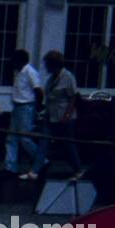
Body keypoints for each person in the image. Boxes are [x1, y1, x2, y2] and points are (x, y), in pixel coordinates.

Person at [34, 50, 83, 178]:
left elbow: (73, 97)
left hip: (64, 116)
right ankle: (35, 171)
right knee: (43, 142)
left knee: (68, 145)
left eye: (47, 64)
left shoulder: (68, 77)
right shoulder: (51, 78)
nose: (45, 67)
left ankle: (78, 170)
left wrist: (67, 116)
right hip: (50, 115)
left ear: (53, 64)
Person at [5, 48, 43, 180]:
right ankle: (10, 167)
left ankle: (41, 159)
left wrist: (38, 108)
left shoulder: (30, 72)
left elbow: (38, 90)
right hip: (17, 106)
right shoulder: (18, 73)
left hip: (26, 106)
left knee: (25, 138)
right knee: (11, 138)